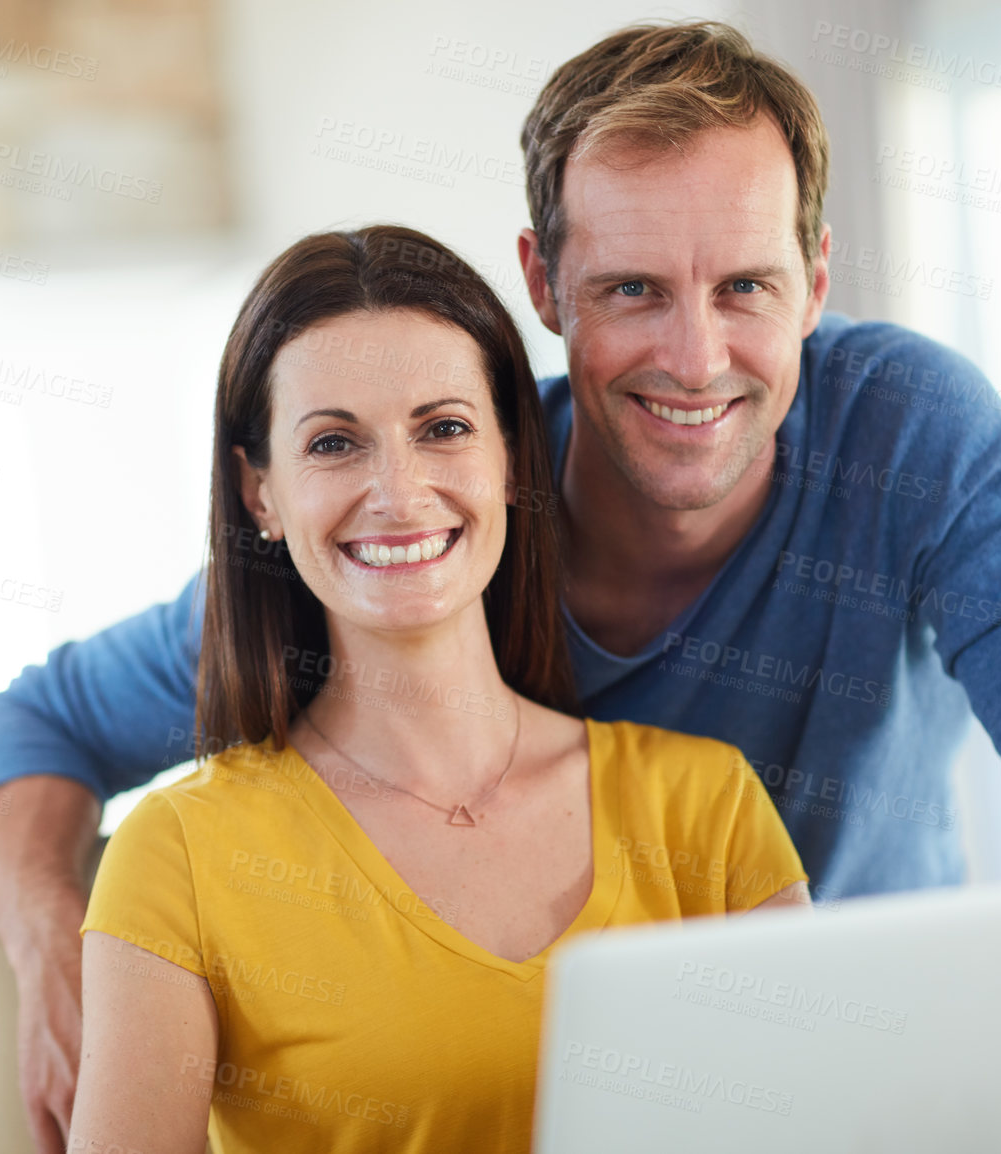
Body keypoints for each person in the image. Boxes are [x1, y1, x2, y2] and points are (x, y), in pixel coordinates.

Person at [0, 20, 1001, 1152]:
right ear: (543, 286)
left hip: (875, 1085)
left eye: (745, 287)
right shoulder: (434, 523)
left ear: (816, 280)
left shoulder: (908, 434)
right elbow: (30, 726)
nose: (695, 356)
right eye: (630, 290)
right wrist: (51, 945)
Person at [65, 223, 808, 1154]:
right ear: (261, 494)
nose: (400, 493)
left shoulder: (709, 807)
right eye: (335, 444)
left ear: (508, 458)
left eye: (444, 429)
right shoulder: (177, 859)